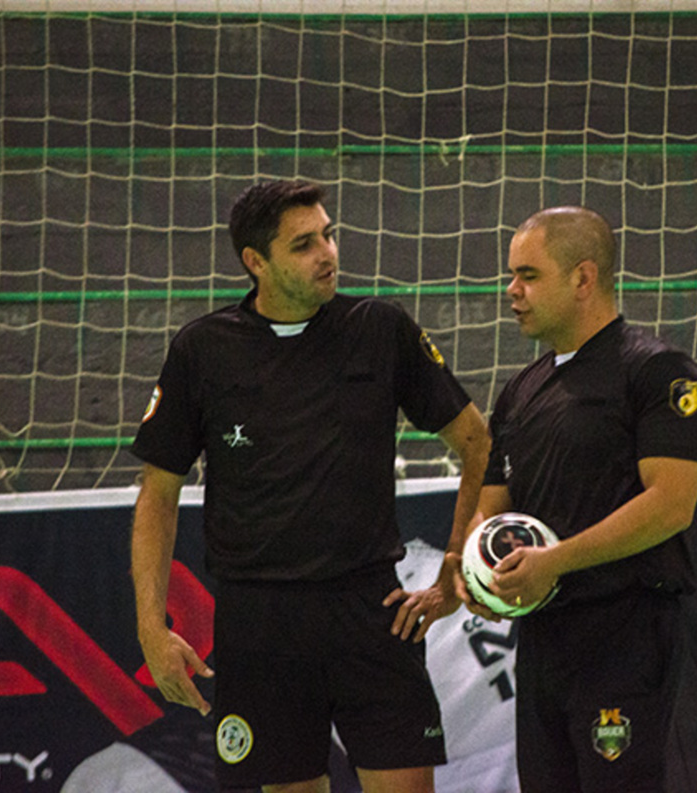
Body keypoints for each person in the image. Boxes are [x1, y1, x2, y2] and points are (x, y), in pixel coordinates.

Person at [129, 179, 490, 793]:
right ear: (256, 263)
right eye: (303, 244)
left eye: (328, 234)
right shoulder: (204, 351)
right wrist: (150, 629)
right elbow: (158, 495)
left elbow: (477, 442)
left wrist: (456, 567)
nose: (327, 253)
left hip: (373, 611)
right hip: (260, 622)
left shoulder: (380, 329)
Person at [458, 206, 697, 793]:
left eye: (528, 275)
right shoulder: (521, 389)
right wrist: (479, 578)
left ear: (583, 278)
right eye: (511, 275)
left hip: (624, 629)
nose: (511, 290)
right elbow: (491, 510)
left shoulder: (658, 373)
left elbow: (671, 505)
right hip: (545, 637)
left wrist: (555, 561)